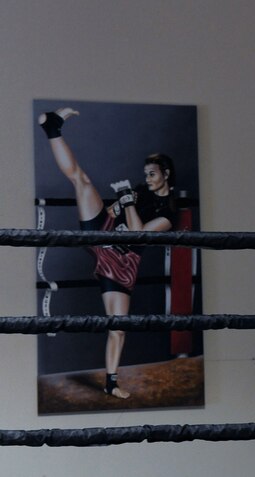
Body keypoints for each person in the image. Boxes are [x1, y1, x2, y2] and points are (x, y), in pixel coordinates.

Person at [38, 108, 177, 399]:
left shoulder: (169, 214)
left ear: (165, 175)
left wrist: (126, 203)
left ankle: (111, 382)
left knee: (118, 327)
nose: (148, 179)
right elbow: (115, 212)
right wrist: (119, 205)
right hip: (105, 232)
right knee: (82, 182)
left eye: (152, 174)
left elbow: (140, 234)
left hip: (121, 262)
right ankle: (53, 127)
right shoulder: (141, 190)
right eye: (145, 174)